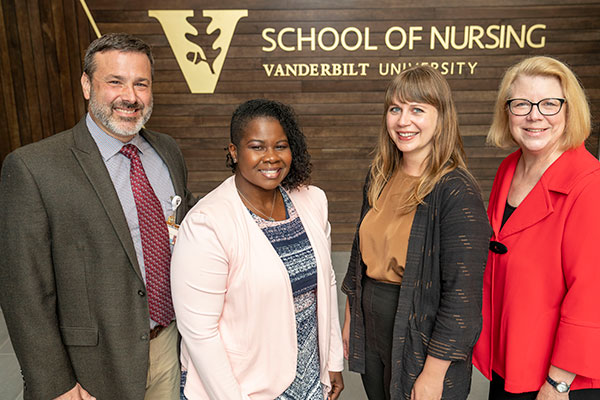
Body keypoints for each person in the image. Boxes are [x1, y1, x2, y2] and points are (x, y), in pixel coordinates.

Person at [0, 33, 194, 400]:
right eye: (115, 82)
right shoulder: (33, 168)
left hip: (168, 345)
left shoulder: (166, 151)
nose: (130, 97)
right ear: (87, 85)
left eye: (141, 84)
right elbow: (23, 292)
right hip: (92, 369)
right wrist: (55, 383)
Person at [171, 99, 344, 400]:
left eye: (280, 146)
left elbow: (325, 283)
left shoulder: (312, 201)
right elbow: (200, 334)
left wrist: (332, 360)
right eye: (257, 146)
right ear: (234, 152)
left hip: (310, 379)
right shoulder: (206, 224)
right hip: (240, 387)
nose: (272, 157)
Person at [342, 65, 490, 400]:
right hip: (373, 321)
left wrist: (433, 374)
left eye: (417, 110)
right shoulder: (380, 175)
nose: (403, 121)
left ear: (442, 118)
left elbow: (462, 298)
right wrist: (352, 320)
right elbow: (358, 258)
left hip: (421, 331)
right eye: (395, 109)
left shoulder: (456, 190)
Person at [473, 56, 600, 399]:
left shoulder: (590, 185)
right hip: (512, 358)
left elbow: (589, 294)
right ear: (507, 112)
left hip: (558, 376)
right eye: (521, 104)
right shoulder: (509, 168)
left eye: (549, 104)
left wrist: (558, 382)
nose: (534, 115)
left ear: (568, 111)